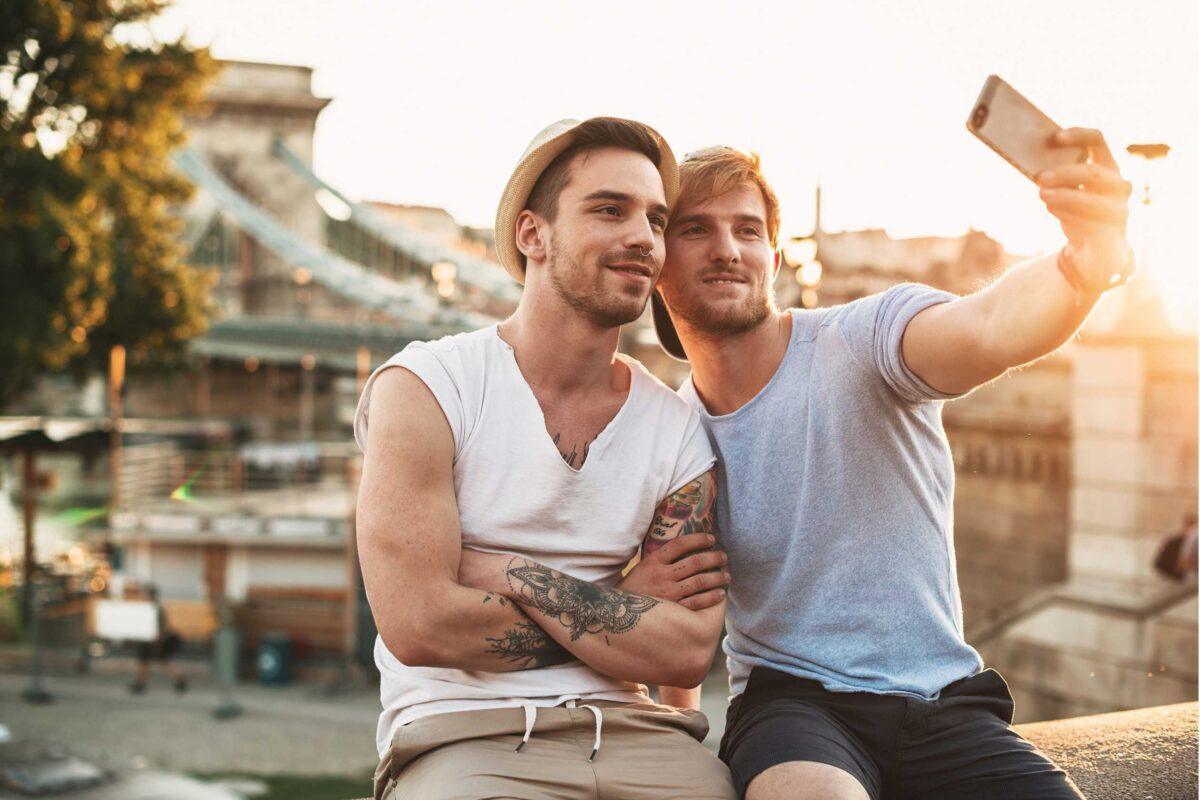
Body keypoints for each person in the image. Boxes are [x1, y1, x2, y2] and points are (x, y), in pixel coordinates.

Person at [651, 134, 1134, 799]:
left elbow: (991, 325)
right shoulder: (671, 438)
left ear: (772, 253)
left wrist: (1086, 263)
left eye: (748, 230)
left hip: (944, 701)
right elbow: (680, 621)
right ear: (655, 258)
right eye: (696, 229)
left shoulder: (862, 338)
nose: (728, 249)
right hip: (793, 709)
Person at [354, 117, 736, 800]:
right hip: (467, 739)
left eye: (655, 219)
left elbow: (684, 650)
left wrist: (510, 573)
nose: (642, 238)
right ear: (533, 234)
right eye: (609, 209)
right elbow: (419, 625)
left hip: (637, 736)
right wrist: (623, 607)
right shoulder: (425, 390)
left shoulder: (677, 429)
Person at [129, 583, 187, 695]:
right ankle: (141, 683)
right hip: (151, 640)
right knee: (148, 662)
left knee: (160, 662)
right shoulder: (151, 607)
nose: (143, 596)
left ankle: (179, 680)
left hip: (156, 641)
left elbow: (161, 627)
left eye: (145, 594)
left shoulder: (155, 608)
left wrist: (157, 641)